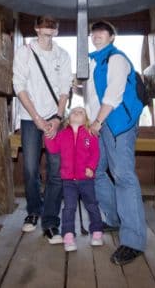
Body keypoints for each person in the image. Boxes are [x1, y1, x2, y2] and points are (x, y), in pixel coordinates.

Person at [85, 20, 147, 265]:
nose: (96, 35)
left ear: (111, 37)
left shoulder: (116, 58)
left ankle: (133, 241)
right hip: (99, 124)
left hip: (119, 123)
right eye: (93, 32)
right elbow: (93, 96)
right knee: (97, 171)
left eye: (102, 31)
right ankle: (114, 218)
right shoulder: (92, 62)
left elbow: (114, 93)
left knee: (123, 175)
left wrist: (97, 122)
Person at [13, 15, 72, 244]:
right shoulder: (25, 52)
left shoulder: (63, 55)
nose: (49, 28)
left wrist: (57, 117)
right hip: (30, 118)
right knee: (29, 168)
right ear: (36, 28)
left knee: (56, 170)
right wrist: (37, 118)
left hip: (55, 118)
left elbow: (65, 88)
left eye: (53, 25)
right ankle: (34, 210)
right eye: (44, 24)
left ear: (57, 30)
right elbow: (19, 86)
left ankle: (50, 221)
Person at [44, 107, 104, 252]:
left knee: (92, 205)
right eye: (73, 112)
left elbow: (95, 153)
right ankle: (68, 235)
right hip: (68, 180)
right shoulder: (62, 134)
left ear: (86, 119)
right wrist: (47, 134)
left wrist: (91, 167)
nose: (77, 113)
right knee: (69, 208)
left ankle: (96, 232)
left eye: (81, 112)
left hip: (86, 179)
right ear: (68, 119)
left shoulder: (91, 134)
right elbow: (52, 148)